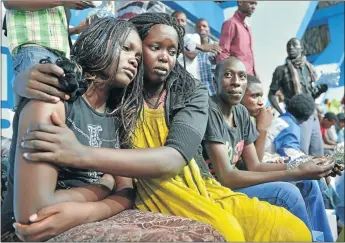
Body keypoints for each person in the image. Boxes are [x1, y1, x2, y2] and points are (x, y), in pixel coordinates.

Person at [11, 13, 312, 242]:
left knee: (291, 229)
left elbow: (169, 160)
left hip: (192, 183)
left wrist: (80, 156)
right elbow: (83, 77)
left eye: (173, 51)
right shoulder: (119, 93)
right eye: (152, 48)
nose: (164, 58)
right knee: (227, 232)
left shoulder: (189, 90)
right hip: (144, 191)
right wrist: (22, 81)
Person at [1, 17, 143, 241]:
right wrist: (105, 186)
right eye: (126, 49)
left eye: (138, 57)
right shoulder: (52, 101)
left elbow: (127, 190)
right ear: (98, 41)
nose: (134, 60)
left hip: (83, 217)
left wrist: (92, 210)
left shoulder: (117, 117)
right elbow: (33, 214)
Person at [203, 56, 336, 242]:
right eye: (227, 75)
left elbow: (255, 165)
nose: (235, 82)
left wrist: (303, 164)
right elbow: (226, 178)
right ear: (214, 79)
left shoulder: (240, 113)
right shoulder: (209, 111)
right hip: (216, 189)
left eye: (241, 76)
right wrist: (295, 171)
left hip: (236, 180)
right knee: (288, 193)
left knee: (309, 182)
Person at [3, 0, 94, 107]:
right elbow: (10, 2)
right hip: (35, 48)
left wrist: (76, 30)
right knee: (41, 109)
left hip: (60, 57)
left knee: (53, 110)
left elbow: (50, 32)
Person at [268, 38, 328, 156]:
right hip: (298, 117)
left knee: (317, 150)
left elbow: (312, 94)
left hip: (313, 114)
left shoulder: (309, 68)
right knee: (301, 152)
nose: (291, 48)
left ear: (301, 48)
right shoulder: (281, 70)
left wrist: (322, 89)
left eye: (294, 45)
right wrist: (281, 112)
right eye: (288, 45)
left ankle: (319, 174)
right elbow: (271, 94)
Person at [217, 1, 258, 76]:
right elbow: (223, 52)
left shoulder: (248, 28)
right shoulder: (231, 23)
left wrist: (255, 75)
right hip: (237, 77)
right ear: (240, 2)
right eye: (251, 3)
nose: (254, 7)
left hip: (250, 76)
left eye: (256, 4)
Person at [172, 10, 201, 79]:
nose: (179, 23)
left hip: (189, 79)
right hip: (172, 78)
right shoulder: (166, 38)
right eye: (176, 20)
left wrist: (175, 45)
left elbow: (191, 54)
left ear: (186, 23)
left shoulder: (193, 36)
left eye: (182, 20)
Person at [196, 18, 221, 96]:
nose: (201, 28)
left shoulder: (217, 46)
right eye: (199, 27)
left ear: (209, 29)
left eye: (204, 26)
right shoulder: (192, 49)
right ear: (195, 30)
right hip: (199, 95)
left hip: (216, 92)